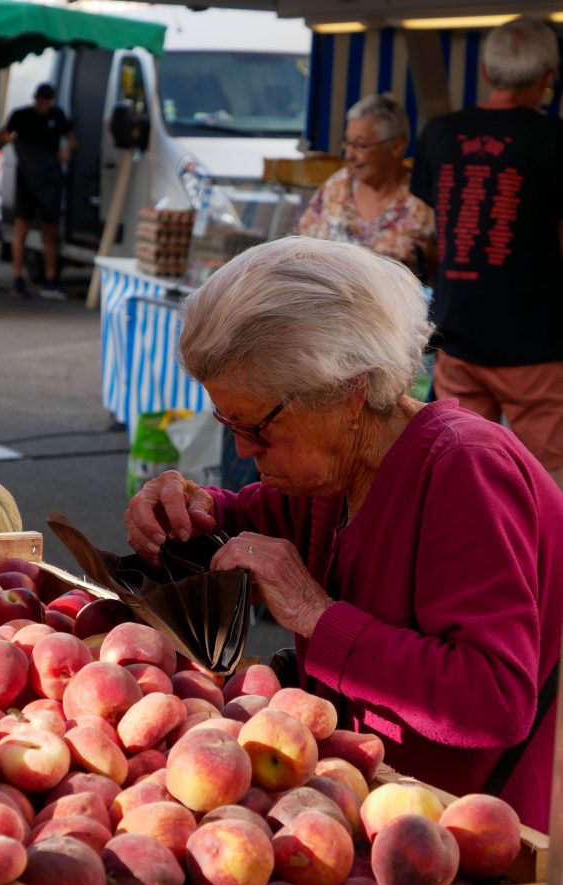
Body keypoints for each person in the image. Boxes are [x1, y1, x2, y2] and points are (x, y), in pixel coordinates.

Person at [124, 236, 563, 833]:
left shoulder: (465, 469)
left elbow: (492, 700)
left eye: (255, 428)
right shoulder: (331, 474)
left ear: (349, 394)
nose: (242, 450)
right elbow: (246, 518)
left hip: (462, 841)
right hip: (361, 808)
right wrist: (186, 509)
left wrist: (313, 611)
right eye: (227, 423)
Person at [410, 16, 563, 487]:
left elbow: (438, 230)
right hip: (536, 346)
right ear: (547, 81)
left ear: (484, 73)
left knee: (457, 468)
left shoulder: (438, 134)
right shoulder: (555, 140)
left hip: (458, 333)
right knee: (551, 476)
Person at [298, 93, 435, 279]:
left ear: (396, 147)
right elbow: (299, 248)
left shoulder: (424, 200)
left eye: (360, 145)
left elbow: (440, 275)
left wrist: (433, 261)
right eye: (347, 143)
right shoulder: (335, 188)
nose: (349, 155)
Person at [0, 82, 77, 300]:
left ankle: (51, 278)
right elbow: (2, 137)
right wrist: (10, 139)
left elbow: (72, 140)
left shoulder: (58, 116)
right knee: (21, 228)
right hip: (26, 177)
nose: (43, 106)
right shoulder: (21, 116)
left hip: (49, 178)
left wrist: (66, 149)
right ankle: (17, 278)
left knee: (49, 230)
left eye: (46, 103)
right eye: (40, 102)